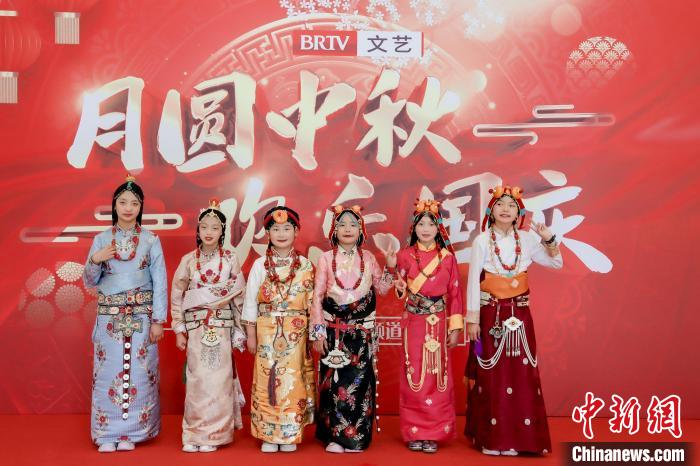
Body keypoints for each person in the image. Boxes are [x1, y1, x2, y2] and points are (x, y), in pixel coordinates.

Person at [465, 184, 562, 456]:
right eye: (500, 204)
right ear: (491, 210)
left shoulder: (527, 240)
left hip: (520, 315)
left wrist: (549, 239)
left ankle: (521, 440)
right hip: (490, 314)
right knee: (491, 374)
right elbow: (473, 281)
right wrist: (472, 319)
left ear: (519, 212)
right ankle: (492, 439)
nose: (505, 209)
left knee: (521, 374)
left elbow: (556, 263)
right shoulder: (482, 240)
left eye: (511, 205)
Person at [84, 174, 167, 453]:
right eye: (123, 202)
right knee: (108, 372)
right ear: (114, 205)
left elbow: (160, 281)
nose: (128, 208)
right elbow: (90, 281)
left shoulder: (151, 240)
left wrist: (158, 320)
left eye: (134, 203)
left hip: (141, 315)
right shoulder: (101, 239)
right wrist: (95, 260)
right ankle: (106, 433)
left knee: (139, 371)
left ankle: (132, 433)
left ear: (141, 207)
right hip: (110, 318)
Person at [311, 205, 396, 453]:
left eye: (353, 225)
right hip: (334, 332)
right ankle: (335, 438)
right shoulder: (325, 258)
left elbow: (382, 289)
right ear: (334, 230)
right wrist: (318, 333)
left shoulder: (368, 258)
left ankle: (356, 438)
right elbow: (317, 297)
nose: (347, 229)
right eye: (342, 224)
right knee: (333, 386)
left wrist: (390, 266)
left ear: (361, 231)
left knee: (359, 386)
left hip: (361, 335)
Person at [170, 198, 247, 453]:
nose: (209, 232)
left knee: (219, 381)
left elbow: (238, 297)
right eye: (204, 227)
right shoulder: (188, 260)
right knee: (197, 380)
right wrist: (179, 328)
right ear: (198, 230)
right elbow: (177, 294)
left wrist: (239, 331)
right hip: (196, 328)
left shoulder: (231, 259)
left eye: (215, 227)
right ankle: (194, 434)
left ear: (222, 231)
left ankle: (215, 435)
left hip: (222, 327)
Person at [241, 206, 316, 453]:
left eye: (286, 228)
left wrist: (313, 333)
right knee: (267, 380)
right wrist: (250, 334)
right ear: (268, 233)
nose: (281, 234)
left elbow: (313, 302)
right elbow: (250, 301)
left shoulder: (305, 265)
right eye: (275, 229)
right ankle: (268, 435)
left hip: (297, 331)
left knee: (293, 381)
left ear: (296, 231)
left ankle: (290, 433)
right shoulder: (260, 265)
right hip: (266, 329)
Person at [394, 199, 464, 454]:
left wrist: (455, 328)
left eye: (430, 224)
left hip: (439, 320)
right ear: (414, 227)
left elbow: (455, 293)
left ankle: (434, 432)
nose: (425, 229)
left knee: (438, 374)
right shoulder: (404, 255)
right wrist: (399, 289)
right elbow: (399, 290)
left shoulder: (447, 258)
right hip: (414, 321)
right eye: (421, 224)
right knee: (414, 373)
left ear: (439, 228)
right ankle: (414, 430)